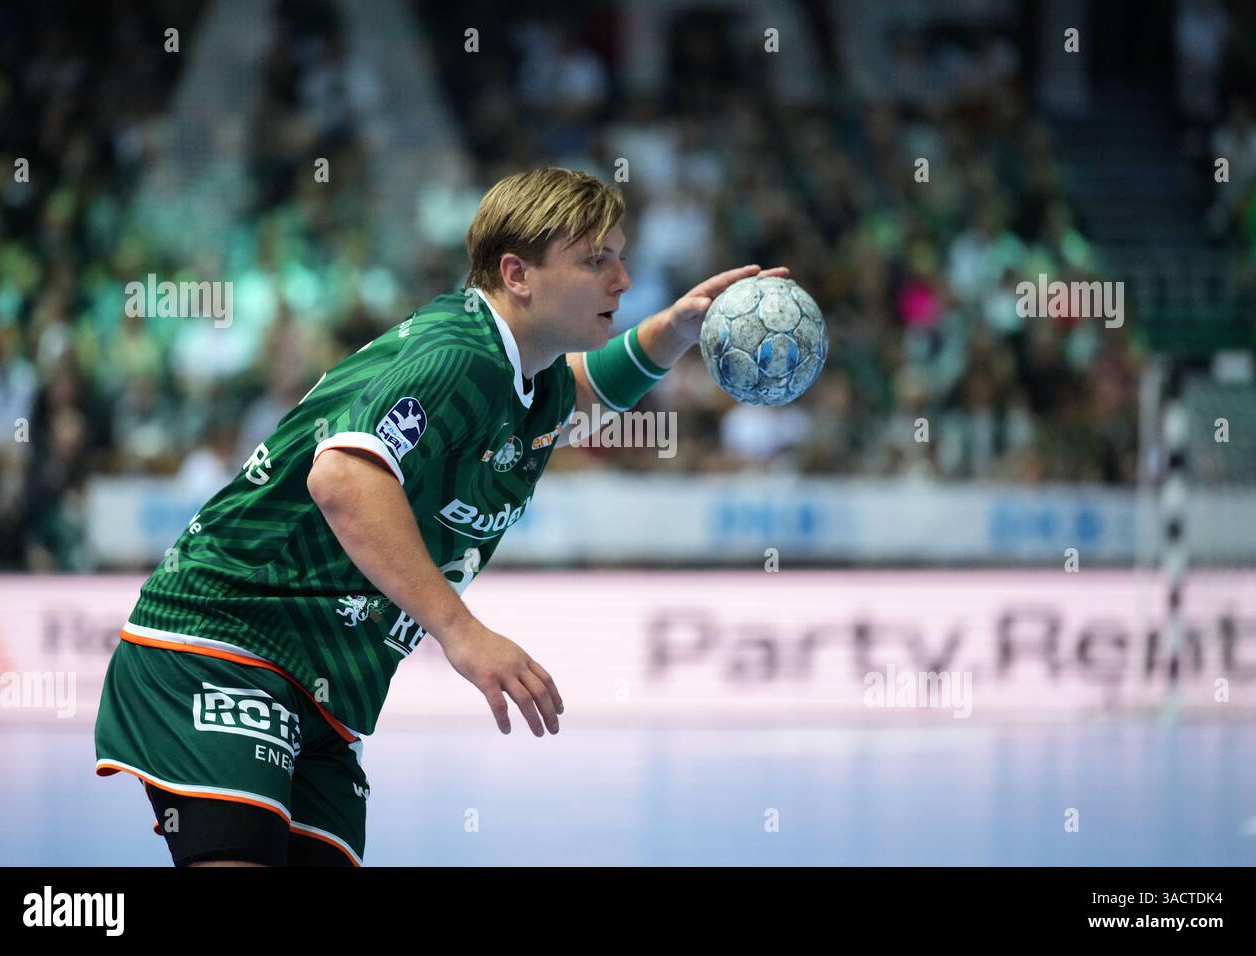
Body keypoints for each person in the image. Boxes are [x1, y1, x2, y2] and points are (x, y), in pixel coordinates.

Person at [93, 167, 787, 866]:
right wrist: (460, 632)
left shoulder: (522, 374)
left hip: (324, 682)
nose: (623, 279)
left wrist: (674, 332)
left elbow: (572, 398)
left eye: (620, 255)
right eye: (595, 259)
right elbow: (341, 475)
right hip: (224, 639)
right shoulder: (457, 355)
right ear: (518, 273)